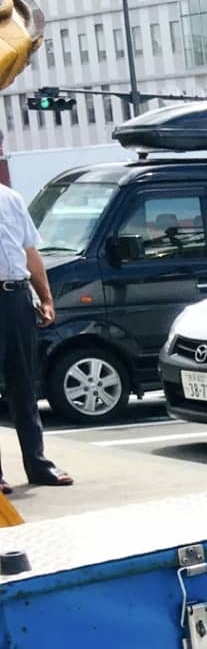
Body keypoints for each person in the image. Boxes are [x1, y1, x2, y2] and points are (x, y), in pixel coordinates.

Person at [0, 177, 69, 493]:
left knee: (24, 383)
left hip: (15, 297)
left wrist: (46, 297)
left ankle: (38, 465)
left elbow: (29, 251)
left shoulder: (10, 198)